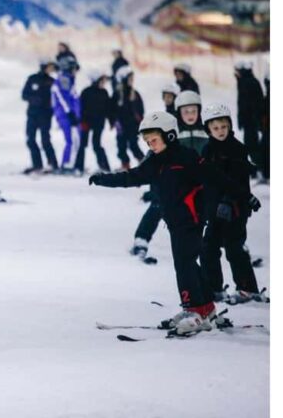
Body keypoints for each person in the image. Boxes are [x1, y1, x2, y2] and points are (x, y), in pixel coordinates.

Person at [89, 111, 261, 336]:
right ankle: (206, 309)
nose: (150, 145)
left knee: (184, 263)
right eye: (147, 141)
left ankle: (194, 310)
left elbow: (217, 177)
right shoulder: (154, 161)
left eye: (154, 140)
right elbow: (131, 177)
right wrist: (104, 179)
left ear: (169, 136)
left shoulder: (186, 157)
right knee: (189, 262)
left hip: (192, 220)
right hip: (175, 221)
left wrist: (245, 196)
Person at [200, 103, 268, 304]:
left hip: (236, 209)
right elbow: (205, 179)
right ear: (208, 130)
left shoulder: (237, 149)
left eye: (223, 127)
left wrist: (229, 202)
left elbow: (238, 181)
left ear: (229, 126)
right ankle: (214, 288)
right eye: (215, 128)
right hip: (214, 210)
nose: (220, 131)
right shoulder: (207, 150)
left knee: (234, 248)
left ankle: (248, 288)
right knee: (208, 248)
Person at [129, 83, 182, 263]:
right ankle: (141, 239)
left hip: (180, 171)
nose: (168, 99)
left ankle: (228, 244)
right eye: (165, 96)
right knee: (157, 207)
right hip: (161, 171)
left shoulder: (183, 116)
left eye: (170, 96)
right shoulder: (163, 116)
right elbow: (153, 144)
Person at [21, 58, 58, 174]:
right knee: (30, 139)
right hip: (32, 114)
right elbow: (24, 94)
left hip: (45, 115)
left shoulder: (53, 82)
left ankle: (53, 164)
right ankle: (37, 165)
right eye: (49, 66)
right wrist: (33, 99)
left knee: (45, 140)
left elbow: (57, 99)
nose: (51, 69)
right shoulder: (32, 79)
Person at [74, 69, 112, 174]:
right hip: (87, 122)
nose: (104, 83)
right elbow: (81, 109)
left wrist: (111, 121)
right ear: (96, 80)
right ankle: (78, 167)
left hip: (99, 123)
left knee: (97, 144)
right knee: (83, 144)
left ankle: (105, 167)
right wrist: (82, 121)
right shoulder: (86, 92)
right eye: (102, 80)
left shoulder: (104, 93)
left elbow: (108, 109)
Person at [235, 61, 265, 178]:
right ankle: (258, 168)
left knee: (251, 145)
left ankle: (260, 169)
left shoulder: (248, 82)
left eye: (237, 71)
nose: (235, 73)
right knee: (251, 144)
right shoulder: (245, 81)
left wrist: (248, 119)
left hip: (251, 121)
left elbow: (250, 104)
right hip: (250, 121)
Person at [112, 66, 145, 170]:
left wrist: (140, 122)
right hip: (121, 126)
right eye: (130, 78)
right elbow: (112, 109)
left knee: (133, 145)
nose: (132, 81)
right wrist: (114, 121)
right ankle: (125, 165)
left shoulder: (134, 94)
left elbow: (140, 109)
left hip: (132, 126)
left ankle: (144, 163)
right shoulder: (117, 94)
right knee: (121, 147)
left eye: (132, 78)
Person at [52, 55, 80, 171]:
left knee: (74, 140)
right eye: (73, 68)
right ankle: (66, 164)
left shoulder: (69, 79)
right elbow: (63, 97)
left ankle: (70, 163)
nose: (75, 71)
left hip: (69, 114)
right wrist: (70, 113)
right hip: (66, 115)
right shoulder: (64, 79)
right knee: (71, 140)